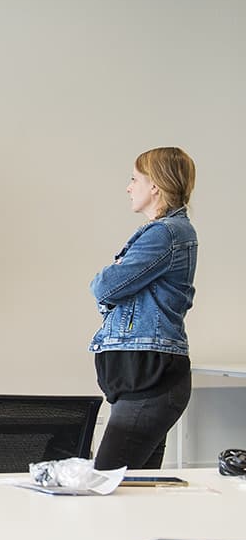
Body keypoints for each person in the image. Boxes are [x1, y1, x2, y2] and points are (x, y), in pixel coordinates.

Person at [90, 147, 197, 470]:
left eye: (134, 179)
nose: (128, 187)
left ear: (155, 185)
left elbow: (105, 286)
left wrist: (112, 277)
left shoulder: (165, 234)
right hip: (145, 382)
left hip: (149, 383)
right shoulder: (166, 232)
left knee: (105, 485)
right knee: (137, 494)